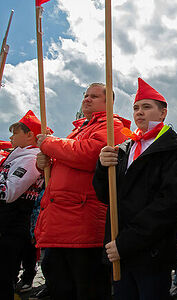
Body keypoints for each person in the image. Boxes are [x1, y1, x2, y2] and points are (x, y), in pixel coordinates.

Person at [93, 78, 177, 299]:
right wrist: (101, 166)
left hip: (150, 251)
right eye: (136, 107)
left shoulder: (174, 146)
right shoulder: (124, 147)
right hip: (118, 249)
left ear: (163, 113)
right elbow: (106, 195)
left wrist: (127, 242)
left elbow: (169, 203)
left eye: (146, 107)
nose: (139, 112)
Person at [34, 83, 130, 300]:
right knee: (60, 286)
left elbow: (88, 155)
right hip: (60, 221)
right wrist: (46, 162)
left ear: (109, 102)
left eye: (94, 96)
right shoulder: (78, 130)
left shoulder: (112, 126)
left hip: (82, 222)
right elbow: (66, 157)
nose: (86, 99)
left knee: (87, 288)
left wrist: (49, 144)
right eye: (85, 95)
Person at [0, 110, 47, 300]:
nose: (11, 137)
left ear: (29, 135)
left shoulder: (29, 159)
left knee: (4, 274)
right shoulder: (18, 156)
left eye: (15, 133)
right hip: (7, 223)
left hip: (12, 225)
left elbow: (10, 193)